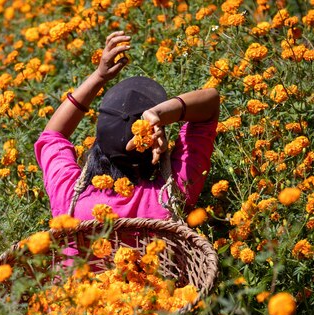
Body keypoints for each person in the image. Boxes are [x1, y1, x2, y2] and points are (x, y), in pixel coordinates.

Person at [35, 31, 220, 221]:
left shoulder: (70, 201)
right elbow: (210, 104)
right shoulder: (170, 197)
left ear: (99, 139)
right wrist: (159, 114)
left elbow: (51, 135)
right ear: (156, 143)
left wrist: (99, 76)